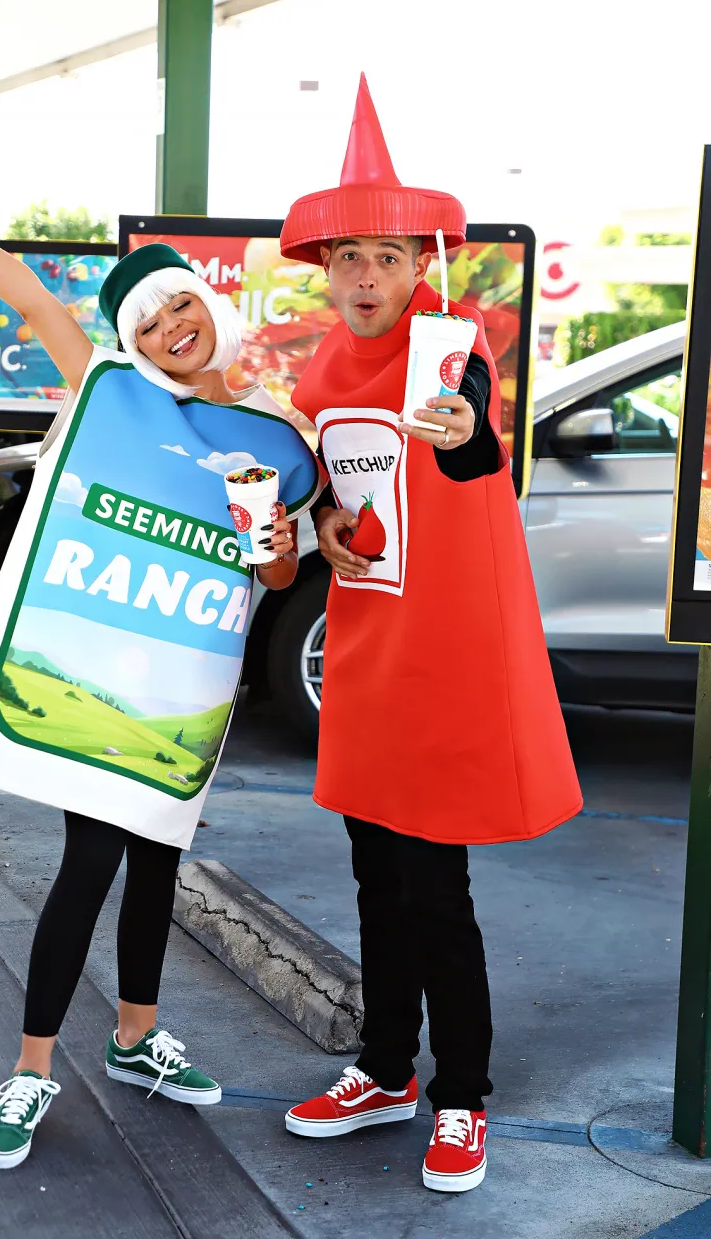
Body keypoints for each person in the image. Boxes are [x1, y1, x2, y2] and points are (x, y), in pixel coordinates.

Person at [0, 130, 324, 1170]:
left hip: (189, 691)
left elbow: (275, 578)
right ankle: (34, 1067)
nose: (169, 325)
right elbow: (22, 291)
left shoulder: (276, 433)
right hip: (102, 678)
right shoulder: (109, 391)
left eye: (178, 302)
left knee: (156, 864)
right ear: (133, 343)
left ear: (208, 306)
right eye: (146, 320)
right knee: (91, 859)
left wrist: (273, 548)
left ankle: (137, 1038)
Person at [277, 77, 582, 1193]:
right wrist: (318, 523)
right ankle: (386, 1069)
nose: (366, 277)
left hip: (440, 657)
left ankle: (462, 1095)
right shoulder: (315, 369)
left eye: (387, 258)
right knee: (371, 877)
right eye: (347, 257)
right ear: (327, 272)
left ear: (421, 267)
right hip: (363, 652)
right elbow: (324, 487)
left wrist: (465, 431)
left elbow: (468, 441)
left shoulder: (452, 349)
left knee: (433, 890)